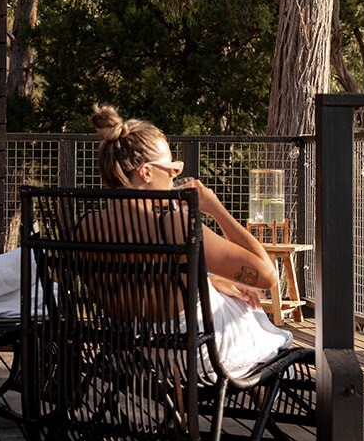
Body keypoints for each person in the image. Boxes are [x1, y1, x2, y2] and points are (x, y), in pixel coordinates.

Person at [91, 104, 293, 378]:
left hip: (129, 352)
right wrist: (215, 208)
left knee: (234, 301)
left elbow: (148, 283)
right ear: (146, 172)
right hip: (193, 354)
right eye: (173, 168)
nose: (175, 175)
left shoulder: (85, 227)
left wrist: (212, 281)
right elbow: (267, 277)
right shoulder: (173, 225)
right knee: (253, 316)